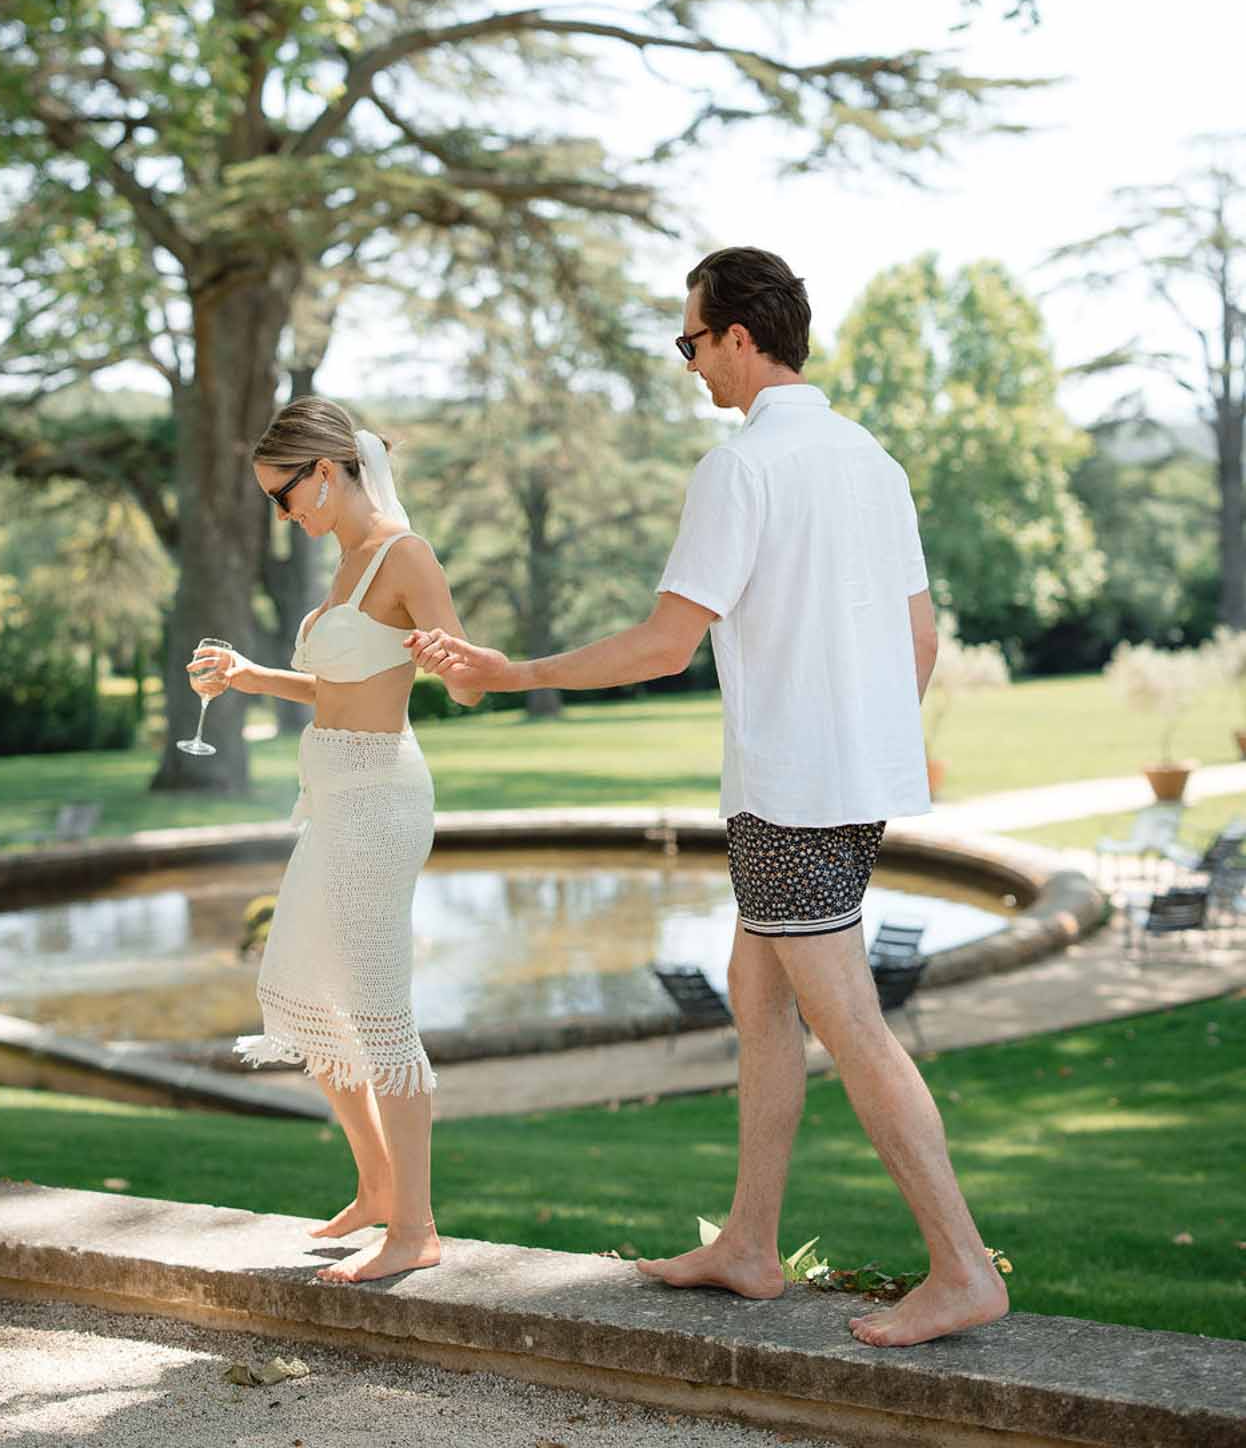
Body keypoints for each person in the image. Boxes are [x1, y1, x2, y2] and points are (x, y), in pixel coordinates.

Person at [407, 246, 1009, 1347]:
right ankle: (748, 1241)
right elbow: (918, 634)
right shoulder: (872, 460)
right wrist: (860, 746)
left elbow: (661, 641)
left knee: (854, 1027)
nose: (689, 364)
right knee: (756, 986)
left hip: (788, 795)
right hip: (842, 788)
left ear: (738, 332)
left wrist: (510, 671)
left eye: (691, 341)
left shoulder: (742, 467)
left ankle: (964, 1266)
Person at [186, 396, 481, 1284]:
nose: (283, 515)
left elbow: (465, 684)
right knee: (296, 987)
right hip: (333, 794)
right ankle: (380, 1185)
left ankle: (416, 1230)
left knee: (380, 1008)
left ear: (325, 471)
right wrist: (247, 676)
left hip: (382, 800)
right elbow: (338, 687)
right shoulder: (349, 560)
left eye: (284, 495)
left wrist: (448, 662)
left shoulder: (404, 556)